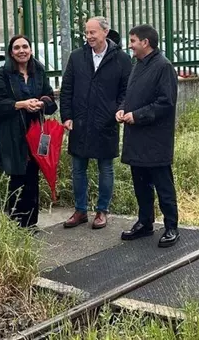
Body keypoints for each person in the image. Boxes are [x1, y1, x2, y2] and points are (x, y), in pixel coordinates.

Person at [61, 17, 132, 229]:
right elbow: (67, 89)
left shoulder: (121, 59)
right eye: (87, 33)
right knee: (78, 168)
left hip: (106, 121)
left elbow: (126, 90)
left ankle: (102, 210)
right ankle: (80, 210)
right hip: (80, 122)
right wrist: (67, 116)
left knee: (105, 168)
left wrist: (119, 109)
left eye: (93, 32)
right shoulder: (77, 57)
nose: (89, 36)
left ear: (105, 32)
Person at [117, 25, 180, 248]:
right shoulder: (138, 65)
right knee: (141, 184)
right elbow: (130, 95)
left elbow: (165, 102)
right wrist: (122, 109)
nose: (130, 45)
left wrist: (138, 115)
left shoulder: (163, 66)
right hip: (136, 138)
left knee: (163, 185)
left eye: (133, 41)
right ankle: (145, 222)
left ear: (145, 42)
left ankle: (171, 226)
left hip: (155, 139)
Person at [0, 35, 57, 229]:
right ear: (11, 52)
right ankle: (15, 223)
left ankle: (30, 222)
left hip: (36, 131)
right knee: (16, 176)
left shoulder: (39, 70)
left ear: (31, 50)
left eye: (25, 47)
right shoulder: (3, 73)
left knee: (32, 176)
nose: (22, 51)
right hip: (13, 132)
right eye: (17, 48)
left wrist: (41, 103)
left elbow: (50, 97)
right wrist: (22, 104)